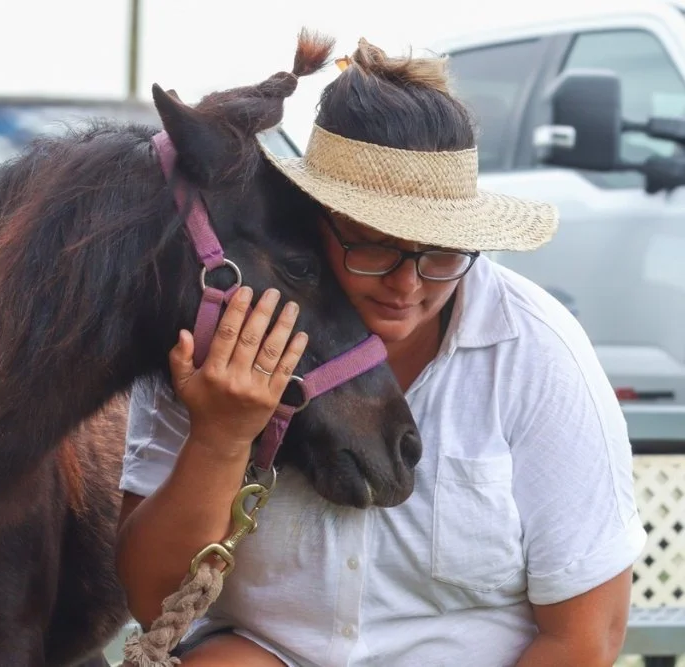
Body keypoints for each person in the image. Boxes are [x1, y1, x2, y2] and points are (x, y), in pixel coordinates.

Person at [115, 37, 647, 667]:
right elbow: (156, 604)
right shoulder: (219, 336)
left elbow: (585, 638)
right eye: (374, 246)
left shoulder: (535, 353)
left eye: (442, 253)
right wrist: (221, 437)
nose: (408, 284)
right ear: (316, 219)